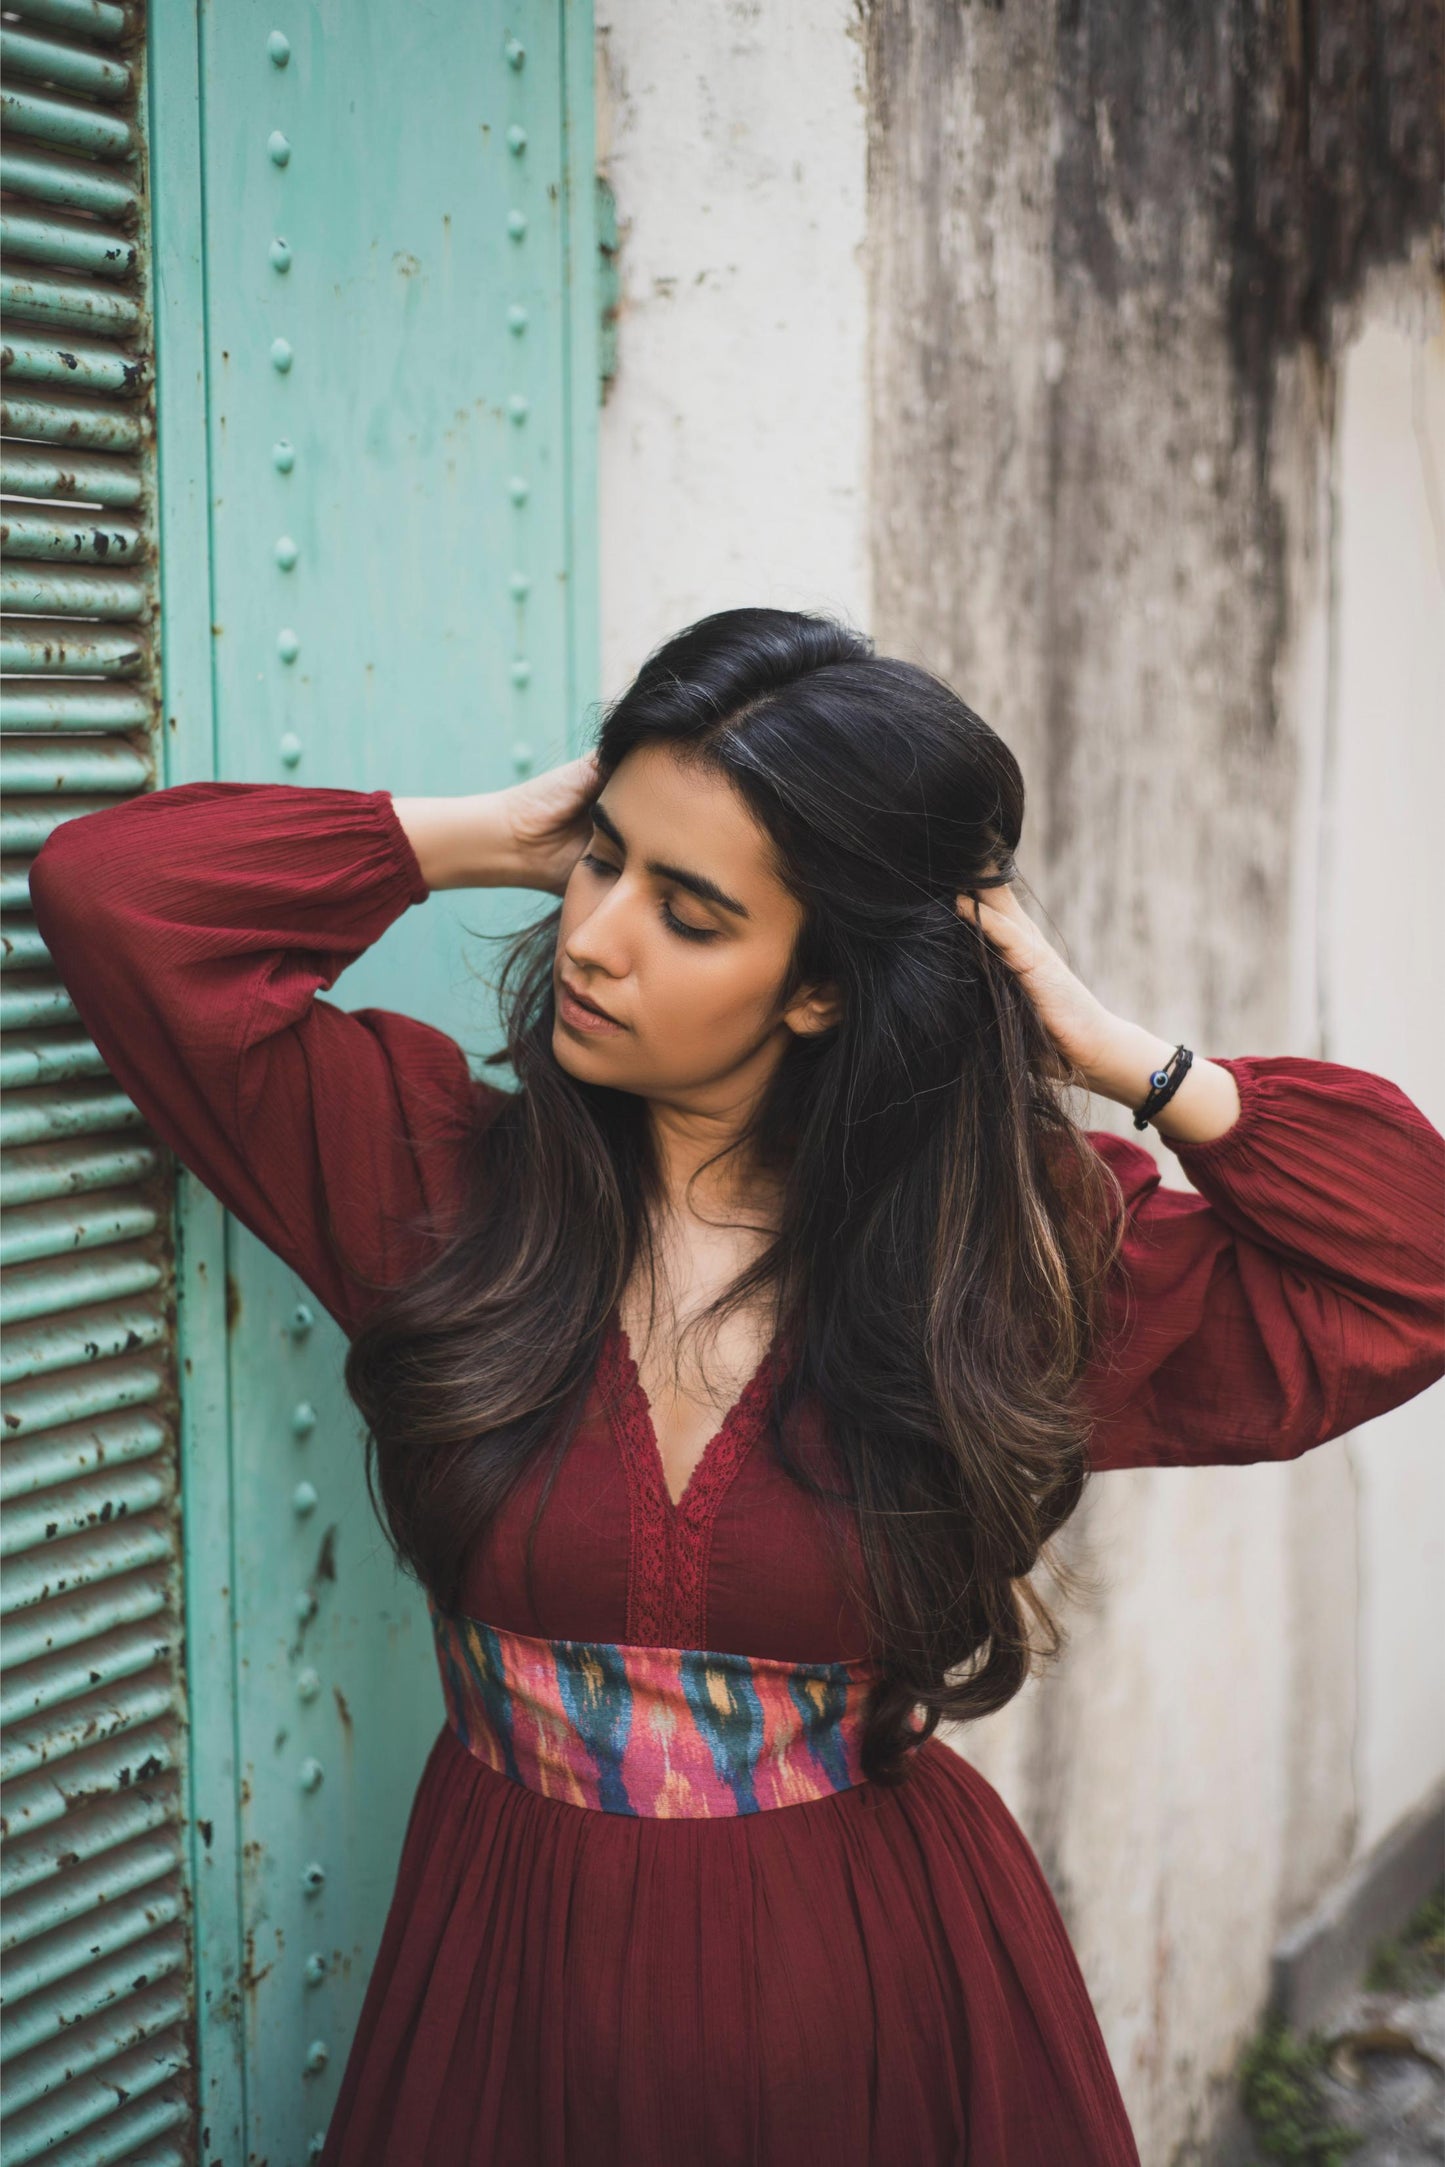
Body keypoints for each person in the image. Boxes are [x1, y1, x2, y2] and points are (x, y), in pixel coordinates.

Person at [29, 608, 1444, 2166]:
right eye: (600, 861)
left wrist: (1126, 1059)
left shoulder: (1004, 1272)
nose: (592, 935)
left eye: (689, 912)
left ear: (824, 988)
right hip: (507, 1990)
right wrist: (495, 834)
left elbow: (1406, 1274)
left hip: (878, 2005)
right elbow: (116, 898)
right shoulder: (437, 1192)